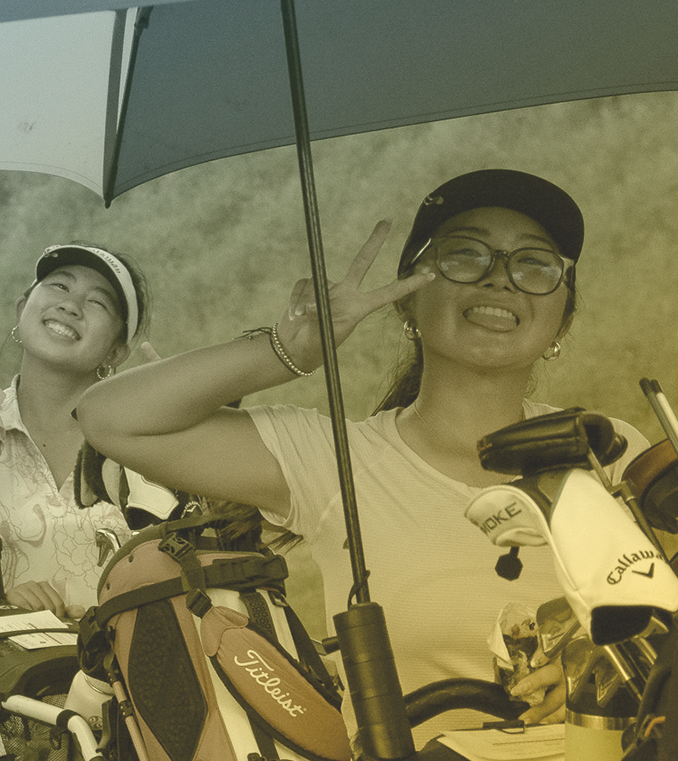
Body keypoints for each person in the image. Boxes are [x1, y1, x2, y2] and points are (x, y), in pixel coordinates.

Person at [76, 169, 648, 740]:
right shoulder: (334, 463)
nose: (500, 278)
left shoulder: (607, 453)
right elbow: (109, 419)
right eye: (465, 254)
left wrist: (601, 661)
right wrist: (287, 351)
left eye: (534, 264)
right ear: (407, 300)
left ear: (562, 321)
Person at [0, 242, 151, 621]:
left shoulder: (149, 437)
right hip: (10, 658)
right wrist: (4, 609)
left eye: (98, 302)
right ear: (21, 310)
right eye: (59, 286)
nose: (70, 306)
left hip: (132, 657)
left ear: (116, 353)